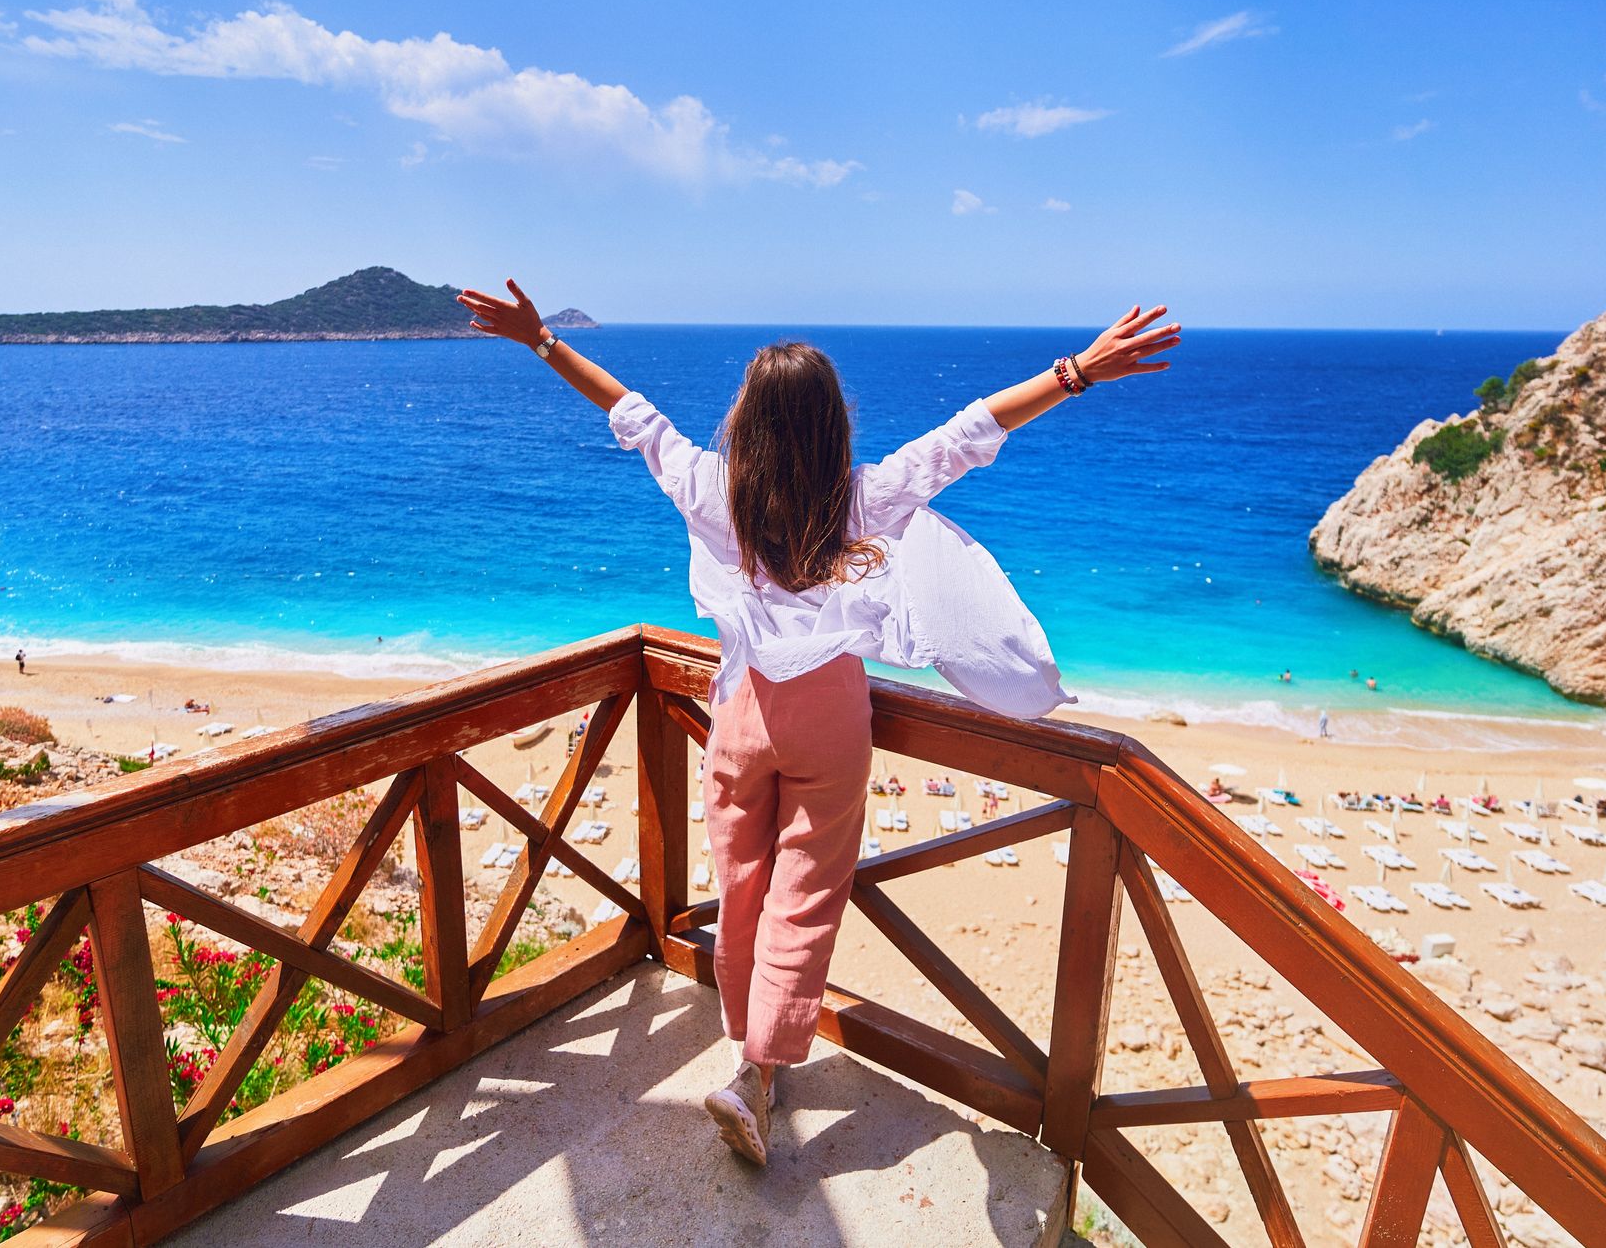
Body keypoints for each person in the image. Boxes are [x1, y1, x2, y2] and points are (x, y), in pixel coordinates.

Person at [457, 277, 1180, 1166]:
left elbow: (631, 412)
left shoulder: (712, 493)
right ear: (833, 426)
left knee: (742, 886)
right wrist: (1078, 371)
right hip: (829, 716)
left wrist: (541, 341)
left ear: (747, 422)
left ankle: (746, 1058)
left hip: (742, 713)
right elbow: (969, 434)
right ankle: (757, 1071)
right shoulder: (860, 501)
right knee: (802, 897)